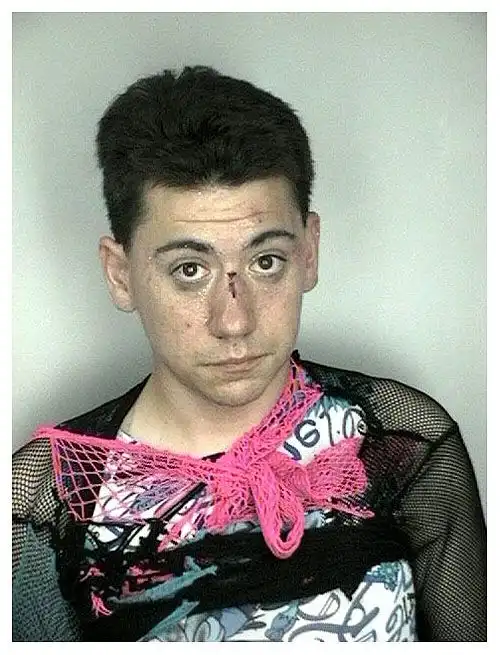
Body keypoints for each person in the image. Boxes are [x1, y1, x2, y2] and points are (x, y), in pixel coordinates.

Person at [12, 66, 486, 642]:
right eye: (190, 270)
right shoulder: (51, 495)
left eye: (266, 262)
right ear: (120, 274)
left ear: (309, 252)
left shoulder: (396, 436)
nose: (234, 322)